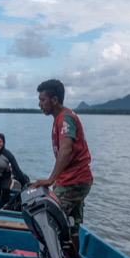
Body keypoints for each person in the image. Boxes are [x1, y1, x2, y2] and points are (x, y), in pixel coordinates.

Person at [30, 79, 93, 238]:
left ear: (55, 100)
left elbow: (65, 150)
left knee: (49, 222)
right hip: (77, 179)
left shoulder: (65, 118)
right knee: (72, 228)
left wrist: (51, 179)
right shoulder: (60, 118)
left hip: (74, 180)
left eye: (42, 100)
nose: (40, 104)